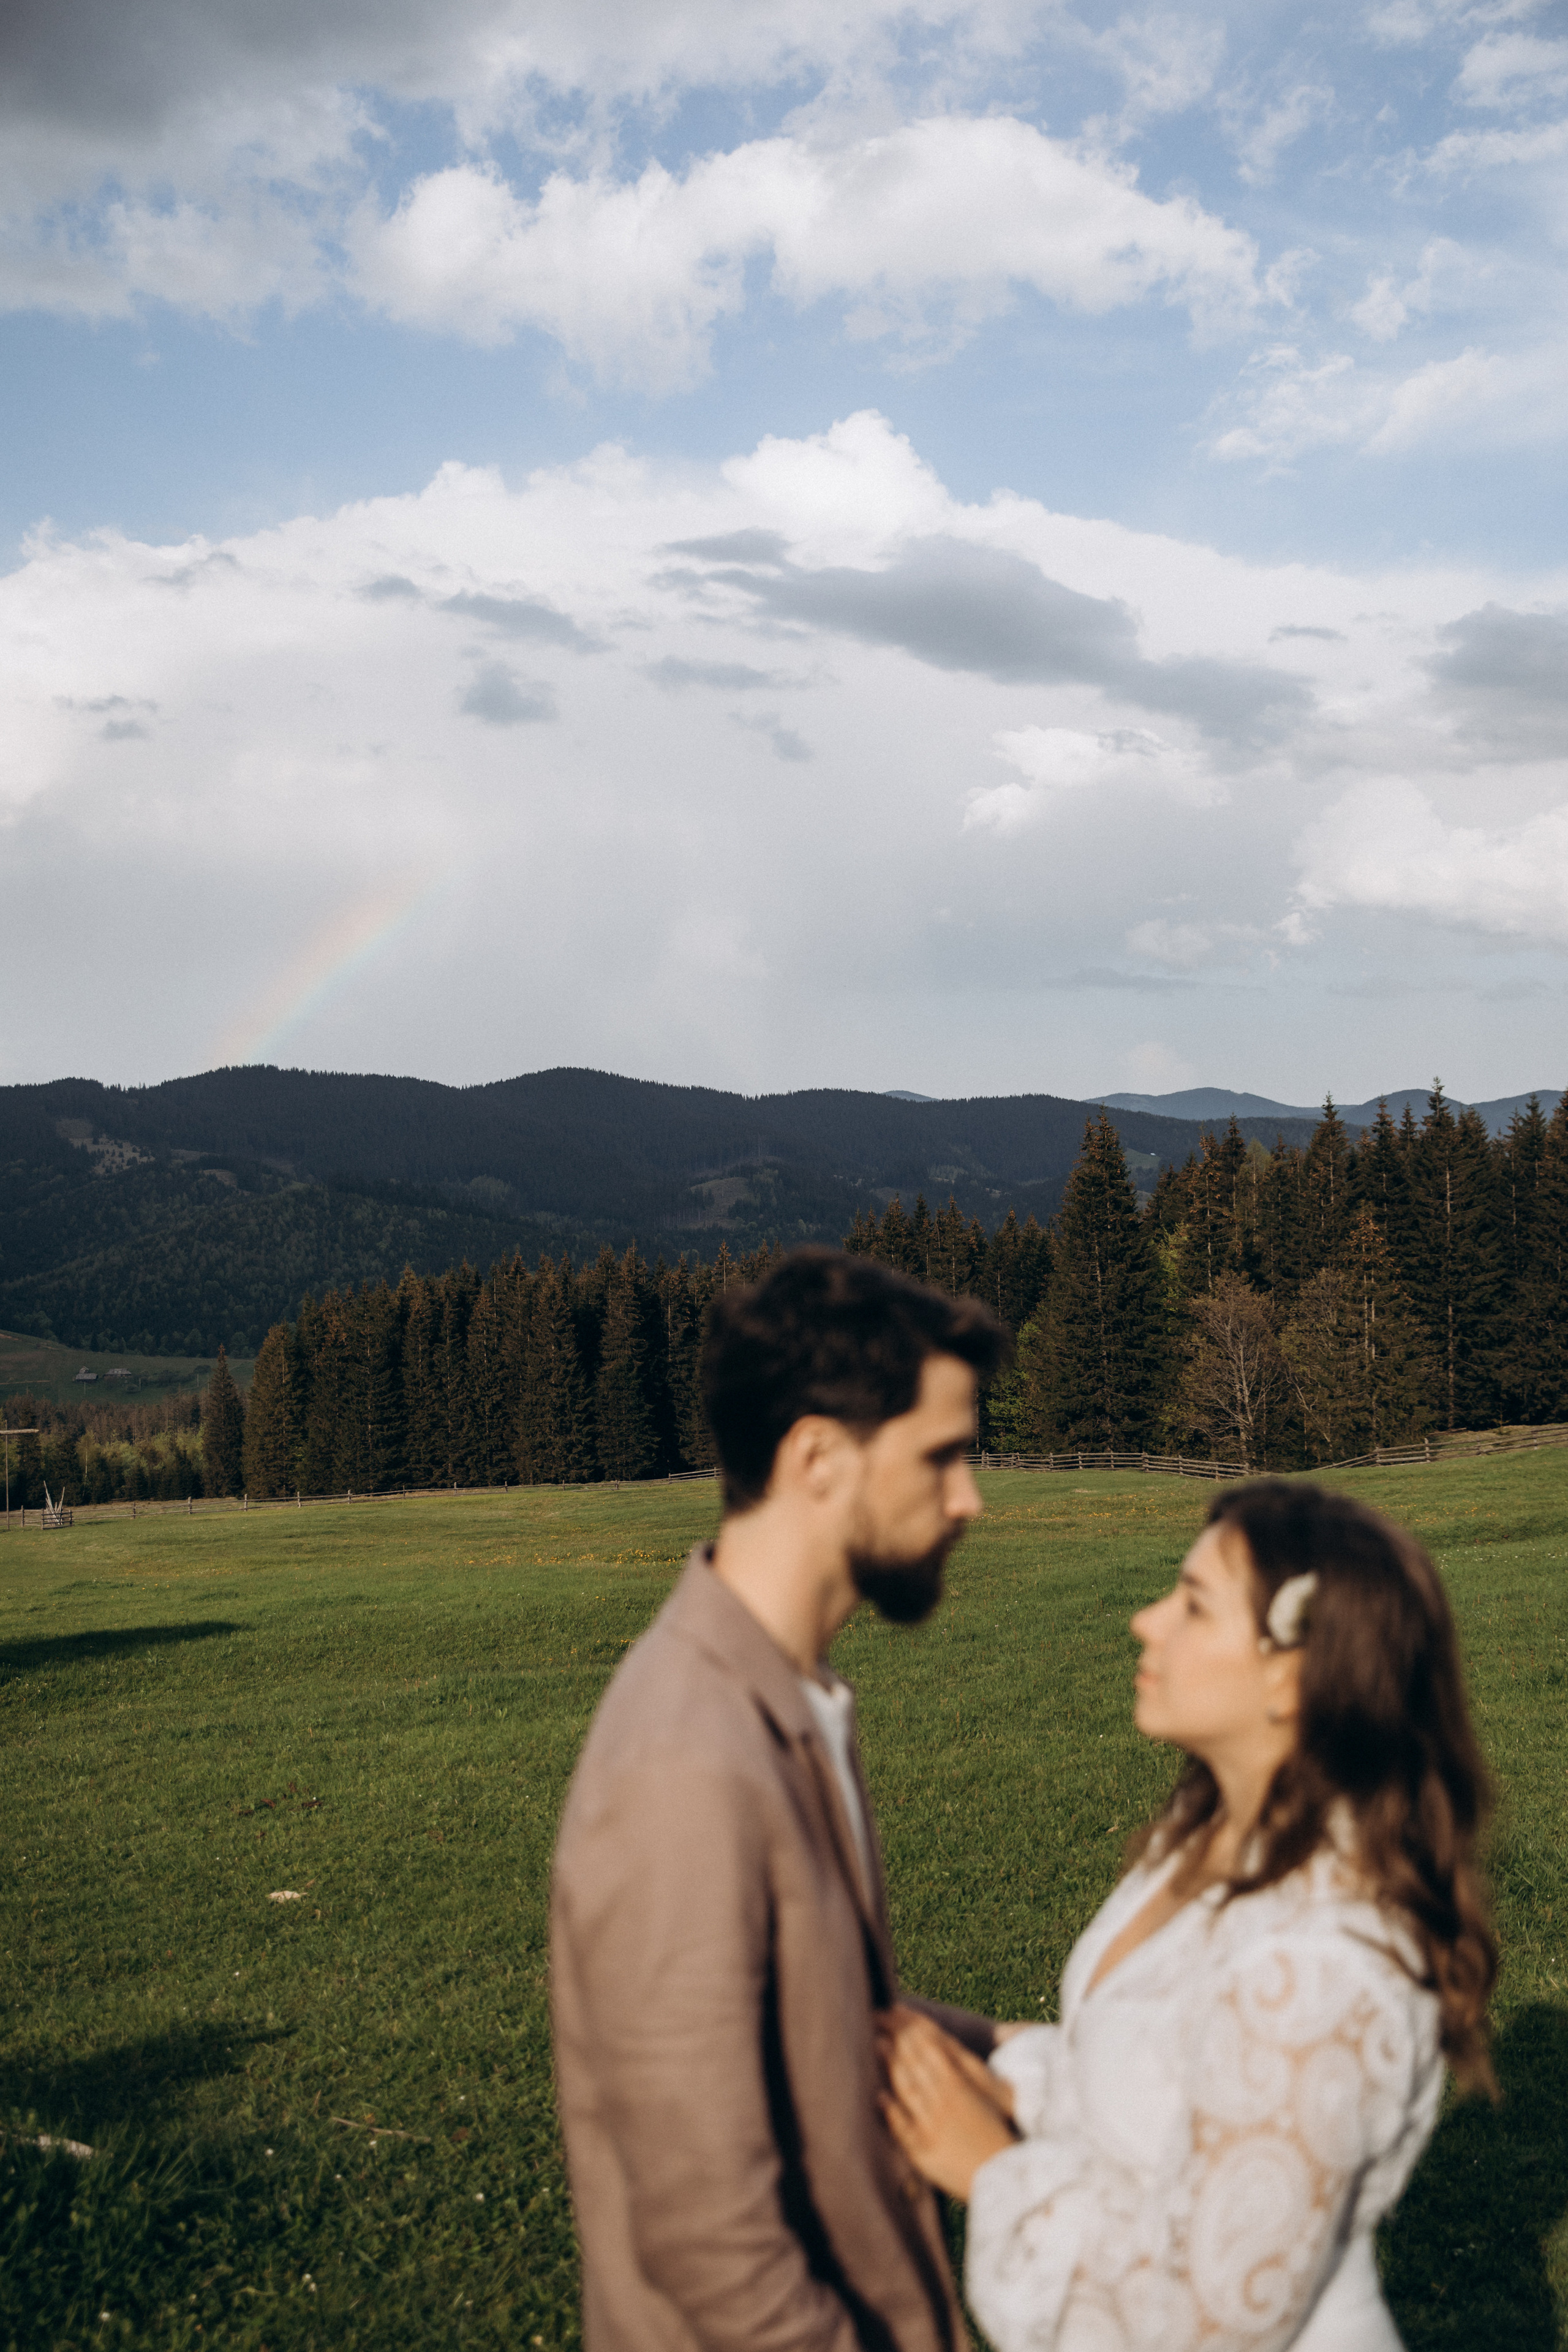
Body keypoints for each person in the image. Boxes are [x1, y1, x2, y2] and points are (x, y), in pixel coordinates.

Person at [881, 1479, 1498, 2352]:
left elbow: (1198, 2327)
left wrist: (989, 2169)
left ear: (1293, 1675)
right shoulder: (1200, 1836)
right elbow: (1156, 2074)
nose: (1146, 1620)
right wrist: (990, 2060)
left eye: (1194, 1606)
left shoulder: (1326, 1965)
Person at [550, 1248, 1011, 2352]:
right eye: (942, 1457)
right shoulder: (686, 1763)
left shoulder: (782, 1699)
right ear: (816, 1458)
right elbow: (712, 2241)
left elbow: (818, 2031)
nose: (970, 1501)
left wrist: (1077, 2060)